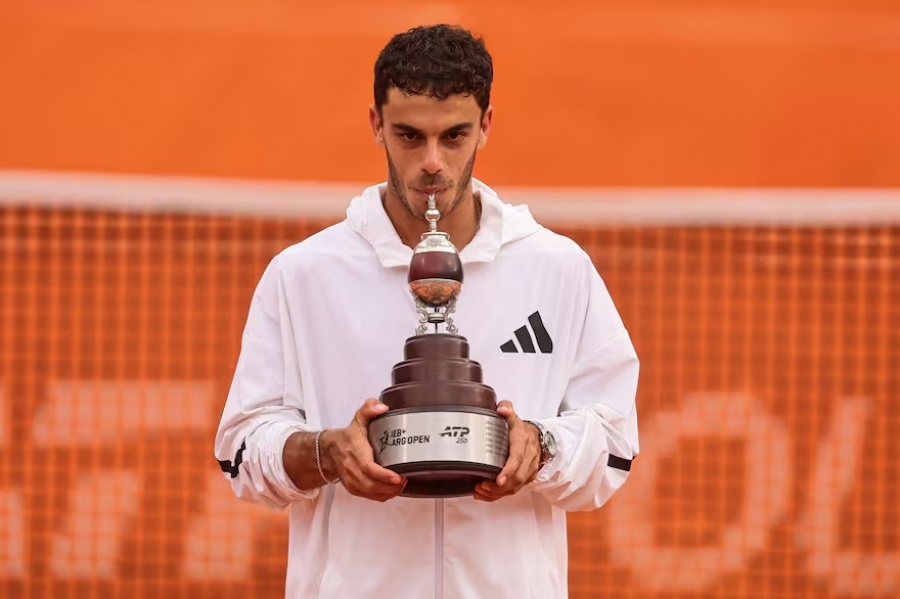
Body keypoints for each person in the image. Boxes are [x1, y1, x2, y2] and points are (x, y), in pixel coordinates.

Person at [214, 23, 640, 599]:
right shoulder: (302, 273)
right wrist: (327, 452)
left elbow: (614, 445)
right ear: (376, 125)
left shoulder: (558, 267)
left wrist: (540, 446)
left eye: (455, 135)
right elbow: (241, 451)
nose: (432, 163)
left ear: (486, 126)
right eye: (409, 136)